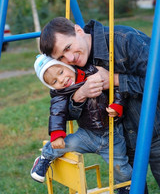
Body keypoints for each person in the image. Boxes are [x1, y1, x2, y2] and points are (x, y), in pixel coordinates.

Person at [40, 17, 160, 193]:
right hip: (120, 142)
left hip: (156, 131)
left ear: (78, 30)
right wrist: (80, 95)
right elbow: (65, 110)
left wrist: (115, 79)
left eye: (68, 47)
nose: (71, 58)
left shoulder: (123, 39)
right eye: (61, 57)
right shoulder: (67, 70)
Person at [30, 54, 132, 194]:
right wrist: (57, 134)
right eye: (54, 81)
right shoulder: (61, 93)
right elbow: (57, 113)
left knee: (121, 168)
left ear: (67, 65)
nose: (62, 80)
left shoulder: (92, 72)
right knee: (62, 144)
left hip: (112, 135)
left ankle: (125, 188)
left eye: (61, 72)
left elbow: (117, 86)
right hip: (87, 134)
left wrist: (118, 105)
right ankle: (44, 158)